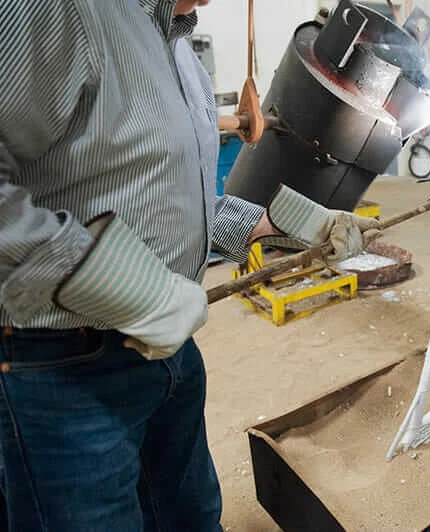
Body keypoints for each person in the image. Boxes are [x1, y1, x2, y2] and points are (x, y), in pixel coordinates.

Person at [0, 1, 380, 530]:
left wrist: (293, 223)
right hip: (64, 368)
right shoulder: (61, 12)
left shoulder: (181, 58)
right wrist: (115, 282)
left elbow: (180, 201)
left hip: (170, 353)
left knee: (193, 518)